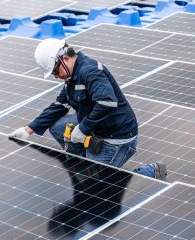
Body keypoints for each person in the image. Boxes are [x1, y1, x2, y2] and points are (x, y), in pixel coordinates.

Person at [9, 38, 167, 180]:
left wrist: (83, 128)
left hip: (116, 136)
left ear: (65, 59)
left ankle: (150, 172)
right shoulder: (72, 76)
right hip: (96, 129)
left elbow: (107, 103)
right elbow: (59, 106)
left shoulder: (90, 71)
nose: (56, 76)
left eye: (55, 71)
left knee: (97, 187)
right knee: (57, 127)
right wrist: (29, 129)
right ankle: (87, 161)